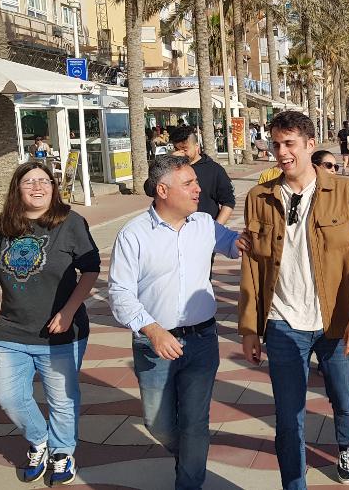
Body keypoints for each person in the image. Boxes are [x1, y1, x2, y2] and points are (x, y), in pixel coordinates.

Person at [237, 111, 349, 489]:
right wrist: (250, 327)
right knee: (288, 416)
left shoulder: (343, 191)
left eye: (289, 144)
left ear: (310, 145)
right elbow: (251, 266)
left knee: (346, 402)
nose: (281, 152)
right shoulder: (259, 197)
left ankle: (346, 444)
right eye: (276, 144)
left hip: (336, 321)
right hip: (283, 324)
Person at [108, 154, 239, 490]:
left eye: (196, 182)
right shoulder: (133, 234)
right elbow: (120, 293)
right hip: (155, 346)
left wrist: (249, 240)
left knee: (195, 423)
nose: (198, 189)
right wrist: (152, 330)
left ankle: (189, 481)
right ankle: (191, 459)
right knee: (159, 424)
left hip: (202, 340)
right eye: (190, 184)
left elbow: (234, 244)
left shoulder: (205, 224)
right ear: (163, 190)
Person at [0, 162, 100, 485]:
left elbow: (91, 269)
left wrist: (69, 310)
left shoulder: (70, 223)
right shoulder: (2, 225)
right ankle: (39, 440)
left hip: (60, 334)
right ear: (18, 188)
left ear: (53, 188)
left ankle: (61, 452)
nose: (38, 187)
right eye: (29, 182)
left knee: (62, 398)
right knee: (8, 396)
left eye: (44, 181)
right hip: (11, 330)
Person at [170, 126, 235, 224]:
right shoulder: (171, 168)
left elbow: (228, 201)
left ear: (196, 146)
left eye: (184, 149)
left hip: (205, 228)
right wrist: (168, 163)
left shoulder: (213, 169)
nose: (180, 153)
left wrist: (216, 228)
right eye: (176, 149)